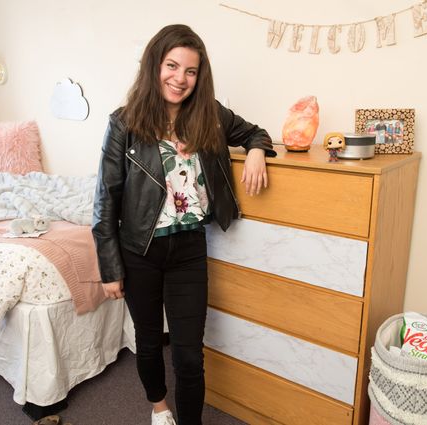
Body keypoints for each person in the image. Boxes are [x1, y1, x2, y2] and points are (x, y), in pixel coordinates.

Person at [92, 24, 275, 425]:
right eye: (172, 66)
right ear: (155, 65)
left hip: (189, 248)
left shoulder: (210, 115)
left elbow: (254, 132)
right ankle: (159, 408)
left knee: (190, 353)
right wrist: (109, 268)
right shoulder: (124, 123)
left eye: (190, 71)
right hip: (140, 250)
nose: (180, 79)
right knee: (149, 342)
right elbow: (106, 199)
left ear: (199, 76)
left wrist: (258, 150)